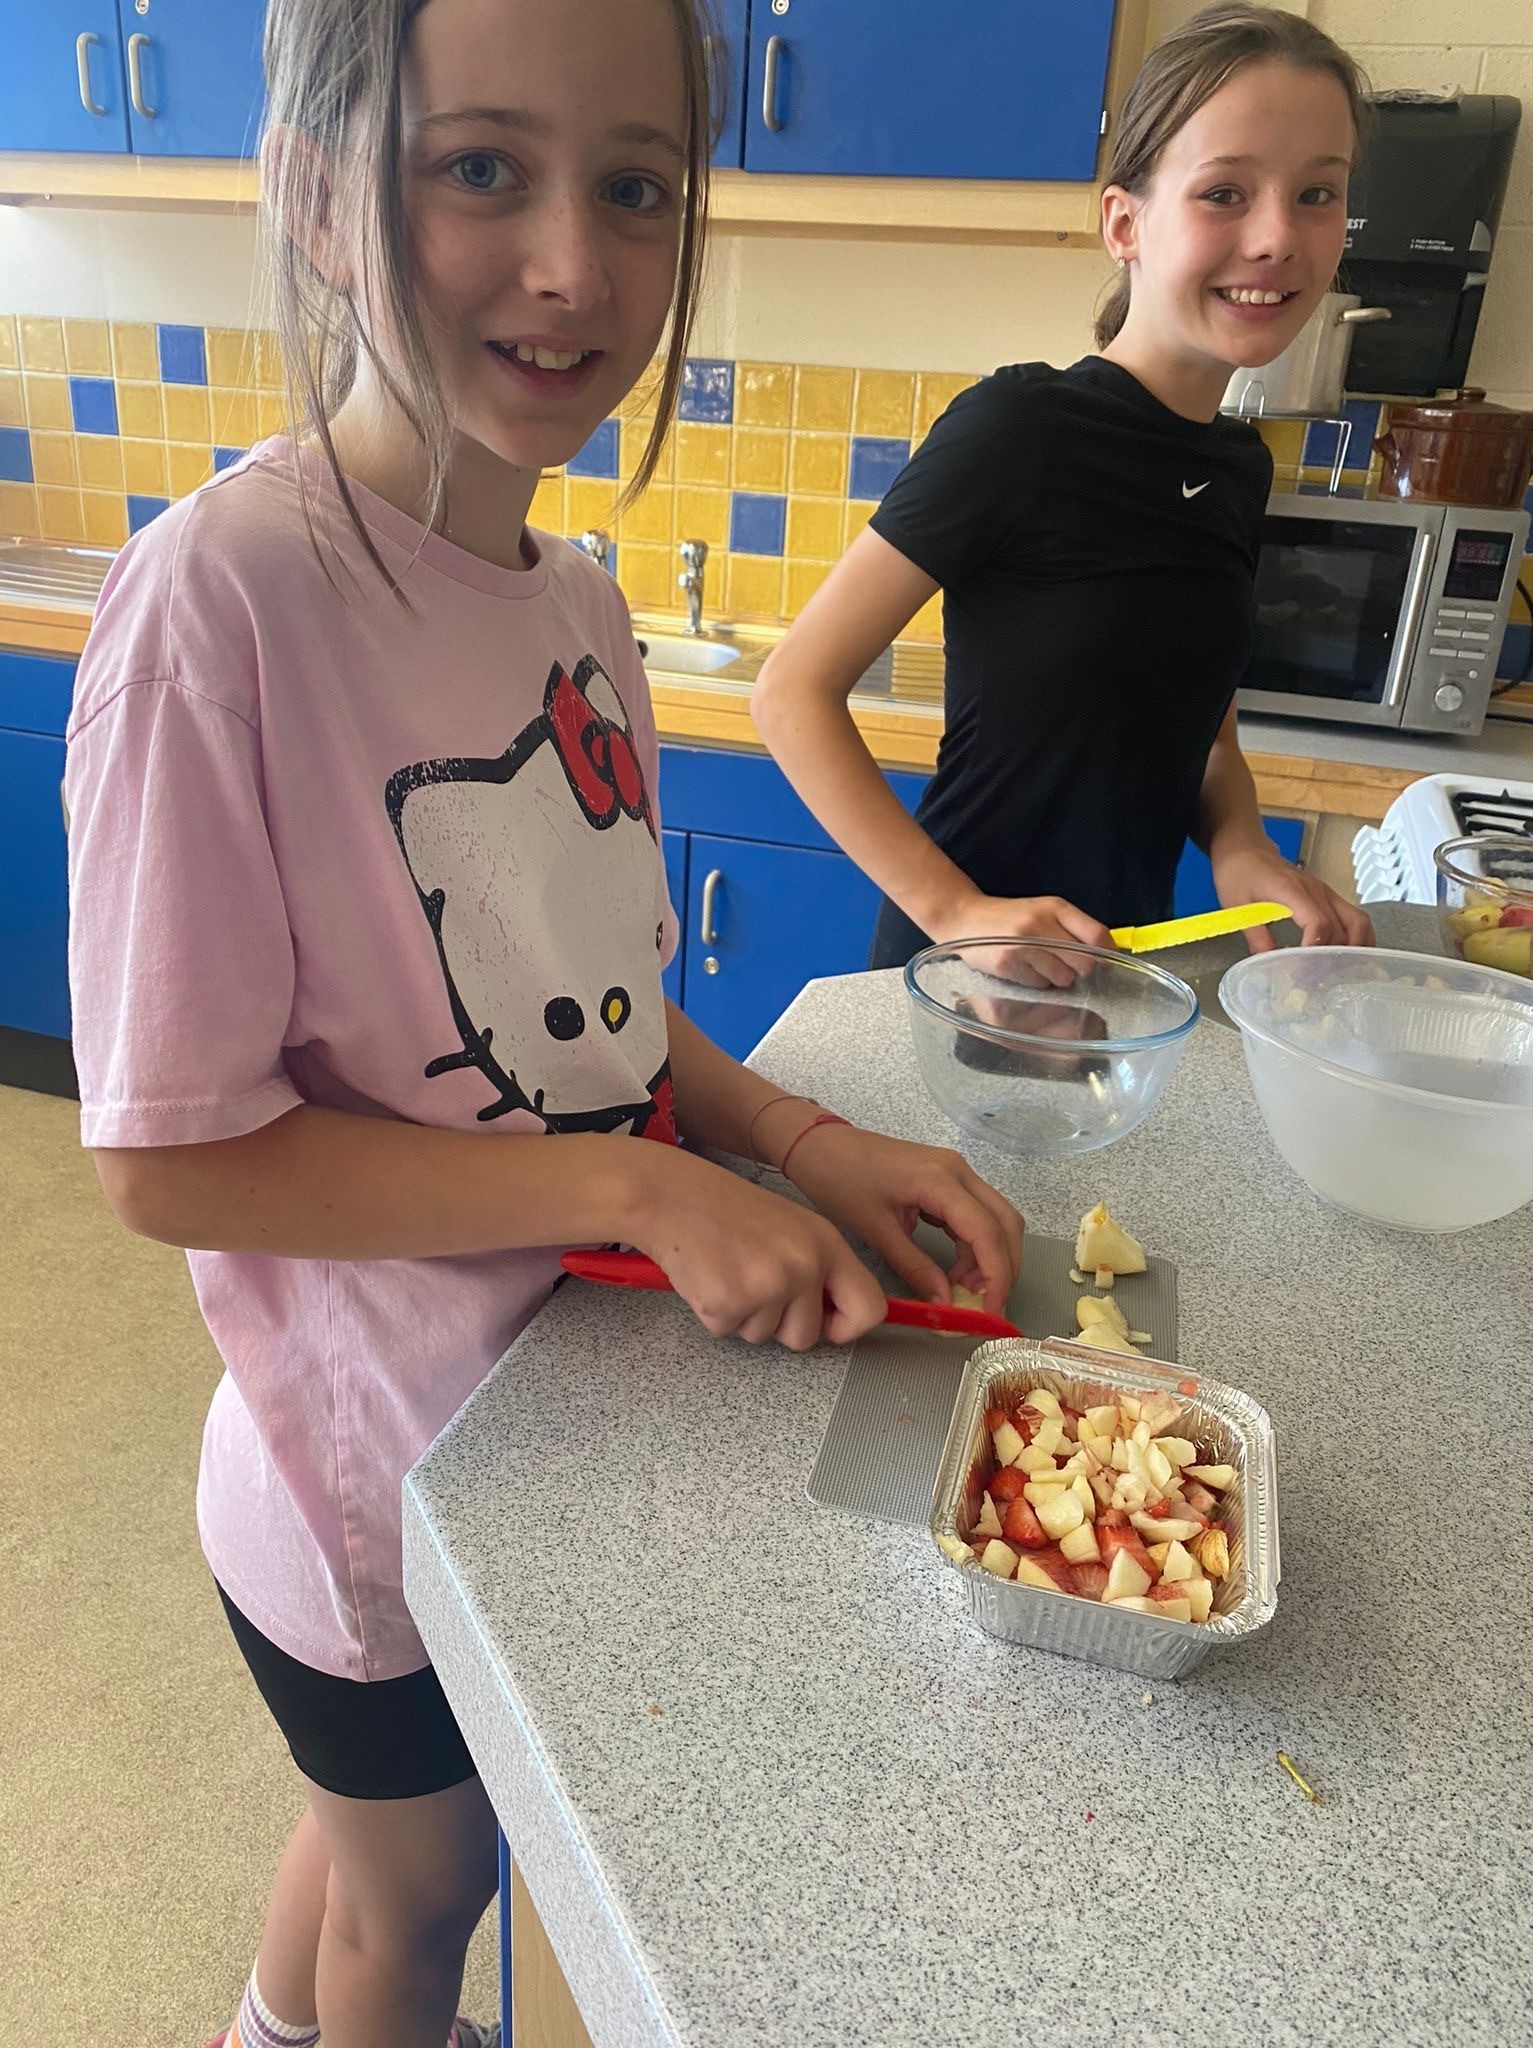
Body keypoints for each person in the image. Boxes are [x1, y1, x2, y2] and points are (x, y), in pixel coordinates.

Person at [63, 2, 1023, 2044]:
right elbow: (163, 1150)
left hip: (536, 1424)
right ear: (321, 193)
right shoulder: (223, 603)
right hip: (362, 1486)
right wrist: (635, 1193)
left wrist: (790, 1140)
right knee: (426, 1899)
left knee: (382, 1848)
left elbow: (582, 1008)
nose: (574, 263)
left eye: (636, 187)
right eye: (480, 166)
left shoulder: (580, 604)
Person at [752, 2, 1376, 975]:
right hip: (963, 987)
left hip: (1124, 980)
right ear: (1124, 223)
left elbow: (1200, 730)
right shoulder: (1021, 430)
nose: (1275, 237)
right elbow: (791, 691)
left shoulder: (1239, 469)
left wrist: (1240, 839)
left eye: (1318, 195)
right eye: (1224, 193)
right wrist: (956, 909)